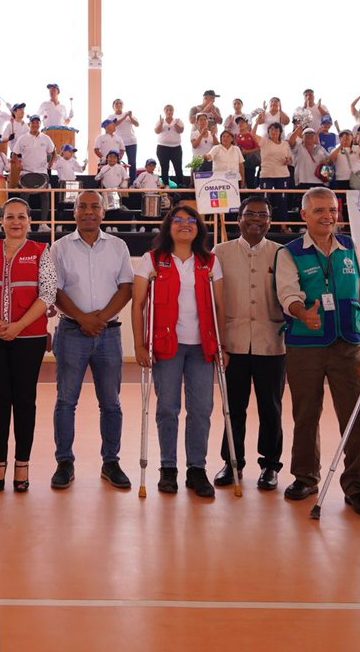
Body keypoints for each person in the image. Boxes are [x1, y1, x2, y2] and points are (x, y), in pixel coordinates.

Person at [274, 187, 360, 516]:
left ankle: (358, 486)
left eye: (331, 210)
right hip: (306, 345)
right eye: (318, 210)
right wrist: (302, 312)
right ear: (304, 215)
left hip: (349, 343)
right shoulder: (289, 252)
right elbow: (286, 292)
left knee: (356, 419)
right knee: (306, 415)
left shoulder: (350, 248)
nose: (327, 216)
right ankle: (305, 476)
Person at [131, 201, 225, 497]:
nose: (185, 225)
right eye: (178, 220)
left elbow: (219, 305)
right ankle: (168, 468)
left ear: (199, 228)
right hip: (165, 346)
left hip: (202, 347)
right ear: (168, 226)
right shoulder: (152, 259)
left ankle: (196, 469)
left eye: (192, 221)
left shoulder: (209, 261)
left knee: (201, 409)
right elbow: (138, 304)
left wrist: (223, 344)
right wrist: (138, 343)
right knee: (168, 408)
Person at [50, 191, 134, 489]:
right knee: (65, 401)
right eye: (82, 206)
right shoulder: (59, 248)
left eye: (94, 206)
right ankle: (64, 462)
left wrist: (99, 319)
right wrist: (83, 318)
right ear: (74, 212)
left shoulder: (118, 246)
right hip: (71, 332)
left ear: (104, 212)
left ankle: (111, 462)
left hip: (108, 334)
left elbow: (126, 288)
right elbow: (55, 291)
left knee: (111, 403)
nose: (88, 212)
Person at [0, 198, 56, 493]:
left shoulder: (40, 252)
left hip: (29, 338)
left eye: (21, 217)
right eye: (10, 217)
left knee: (24, 401)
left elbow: (48, 293)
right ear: (2, 221)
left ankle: (22, 464)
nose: (16, 222)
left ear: (29, 221)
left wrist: (18, 326)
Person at [212, 195, 286, 490]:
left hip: (272, 343)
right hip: (232, 344)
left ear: (270, 220)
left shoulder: (282, 253)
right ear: (238, 218)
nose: (256, 220)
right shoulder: (219, 252)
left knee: (271, 407)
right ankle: (232, 462)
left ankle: (270, 466)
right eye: (250, 214)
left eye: (262, 215)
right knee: (233, 407)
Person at [10, 116, 56, 227]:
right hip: (26, 173)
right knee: (24, 198)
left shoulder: (46, 138)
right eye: (33, 122)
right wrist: (18, 164)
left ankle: (43, 224)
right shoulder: (22, 138)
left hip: (42, 172)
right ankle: (25, 224)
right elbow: (14, 154)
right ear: (29, 124)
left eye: (37, 122)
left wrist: (51, 163)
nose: (35, 124)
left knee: (45, 197)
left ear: (40, 124)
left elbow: (54, 151)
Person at [257, 123, 293, 225]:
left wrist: (288, 161)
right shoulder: (264, 142)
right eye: (272, 129)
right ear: (268, 132)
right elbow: (252, 134)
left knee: (282, 200)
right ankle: (262, 224)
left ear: (280, 132)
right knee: (264, 200)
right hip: (266, 175)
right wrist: (256, 122)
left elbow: (290, 159)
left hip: (283, 175)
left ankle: (284, 225)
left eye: (276, 130)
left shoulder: (285, 144)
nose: (274, 132)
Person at [155, 105, 186, 188]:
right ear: (164, 111)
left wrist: (175, 124)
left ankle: (180, 185)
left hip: (176, 148)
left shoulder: (178, 120)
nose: (169, 112)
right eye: (167, 110)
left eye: (171, 110)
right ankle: (165, 185)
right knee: (164, 167)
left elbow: (181, 130)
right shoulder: (160, 121)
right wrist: (161, 123)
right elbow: (157, 131)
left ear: (173, 111)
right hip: (162, 147)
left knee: (178, 167)